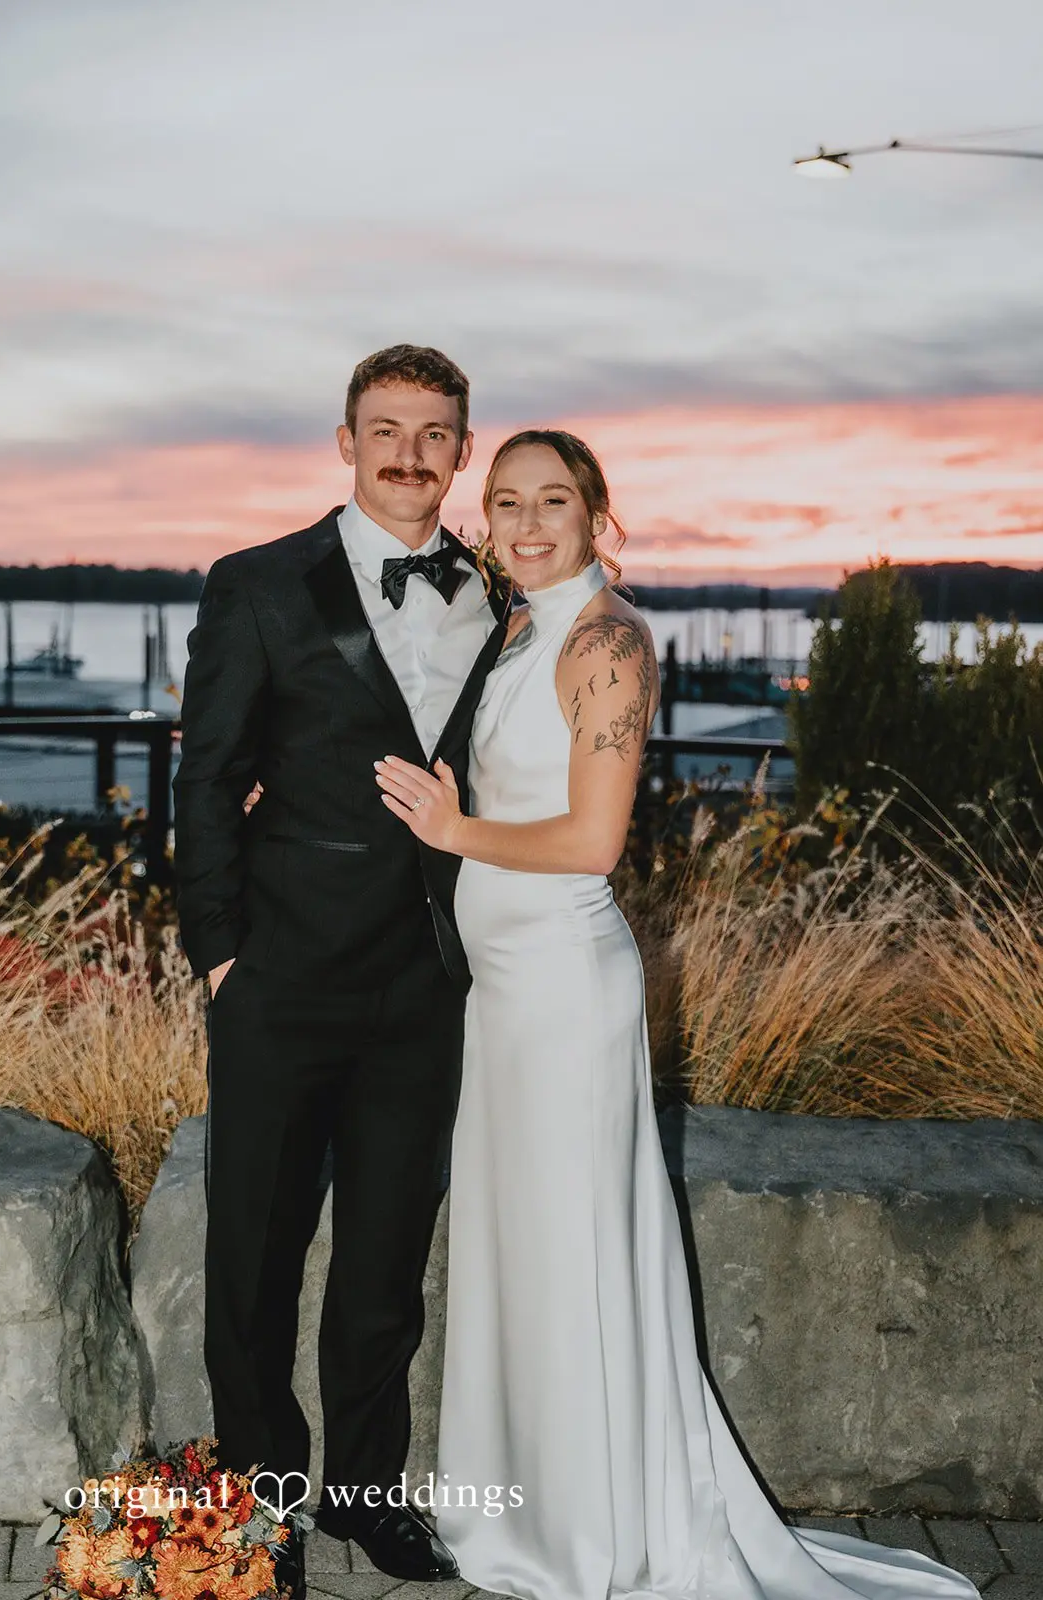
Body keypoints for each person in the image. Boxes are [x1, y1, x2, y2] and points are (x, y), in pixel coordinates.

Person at [371, 429, 984, 1600]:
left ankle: (593, 1534)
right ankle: (528, 1513)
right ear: (486, 519)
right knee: (524, 1251)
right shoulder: (518, 625)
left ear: (600, 511)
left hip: (559, 987)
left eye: (555, 499)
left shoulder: (605, 639)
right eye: (506, 502)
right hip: (502, 992)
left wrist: (455, 836)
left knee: (573, 1252)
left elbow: (592, 842)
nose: (530, 521)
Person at [172, 344, 514, 1598]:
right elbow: (204, 777)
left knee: (382, 1266)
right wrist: (218, 955)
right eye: (387, 429)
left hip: (427, 984)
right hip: (277, 976)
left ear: (463, 449)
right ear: (346, 440)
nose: (410, 453)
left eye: (435, 432)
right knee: (253, 1262)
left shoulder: (496, 595)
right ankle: (263, 1509)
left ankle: (371, 1500)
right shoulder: (259, 584)